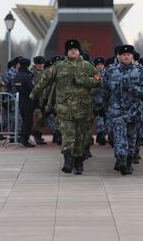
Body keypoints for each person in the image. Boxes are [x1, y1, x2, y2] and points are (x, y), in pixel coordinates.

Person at [30, 39, 101, 175]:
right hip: (65, 110)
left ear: (79, 51)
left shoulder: (87, 66)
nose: (73, 51)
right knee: (68, 136)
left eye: (75, 49)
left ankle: (78, 163)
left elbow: (98, 81)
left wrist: (83, 80)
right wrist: (33, 95)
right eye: (70, 49)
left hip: (82, 109)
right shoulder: (59, 66)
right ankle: (68, 161)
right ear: (66, 52)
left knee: (80, 137)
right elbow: (45, 80)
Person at [96, 45, 143, 175]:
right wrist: (99, 106)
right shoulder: (110, 71)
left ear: (132, 56)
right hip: (117, 110)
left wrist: (132, 89)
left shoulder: (140, 71)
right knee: (119, 136)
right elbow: (104, 90)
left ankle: (129, 160)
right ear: (118, 56)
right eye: (123, 54)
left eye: (129, 54)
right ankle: (121, 159)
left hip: (134, 111)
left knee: (131, 137)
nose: (126, 56)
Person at [14, 58, 37, 148]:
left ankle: (24, 139)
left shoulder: (17, 75)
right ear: (27, 65)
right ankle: (25, 140)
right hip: (28, 102)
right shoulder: (28, 76)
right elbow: (32, 89)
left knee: (24, 121)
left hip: (21, 102)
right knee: (28, 122)